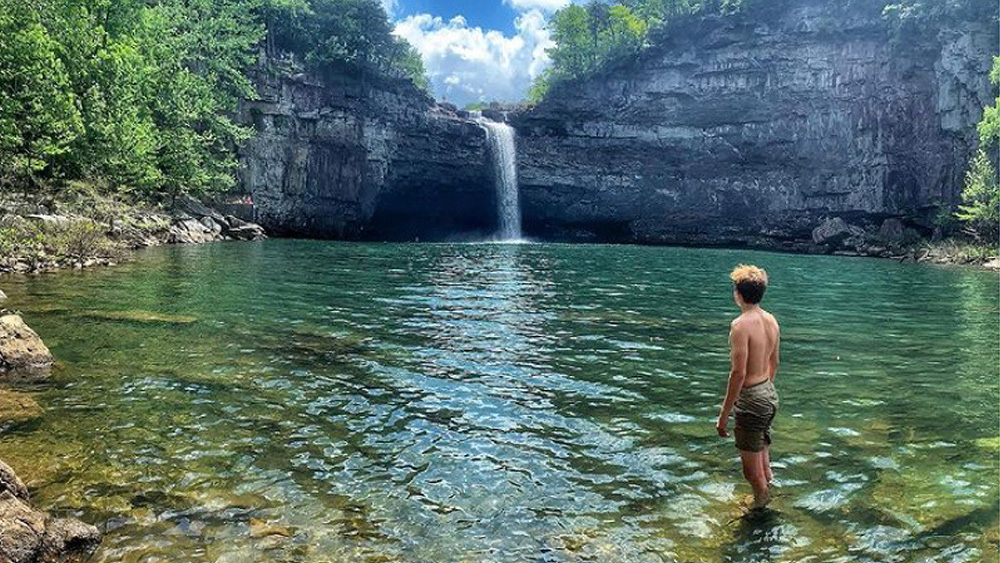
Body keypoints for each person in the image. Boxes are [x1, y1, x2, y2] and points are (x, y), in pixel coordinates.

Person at [716, 264, 780, 509]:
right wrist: (765, 392)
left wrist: (723, 416)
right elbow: (775, 361)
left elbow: (738, 374)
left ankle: (761, 510)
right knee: (762, 456)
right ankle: (767, 493)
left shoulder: (740, 326)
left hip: (753, 399)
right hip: (768, 392)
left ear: (738, 294)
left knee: (751, 472)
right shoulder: (771, 320)